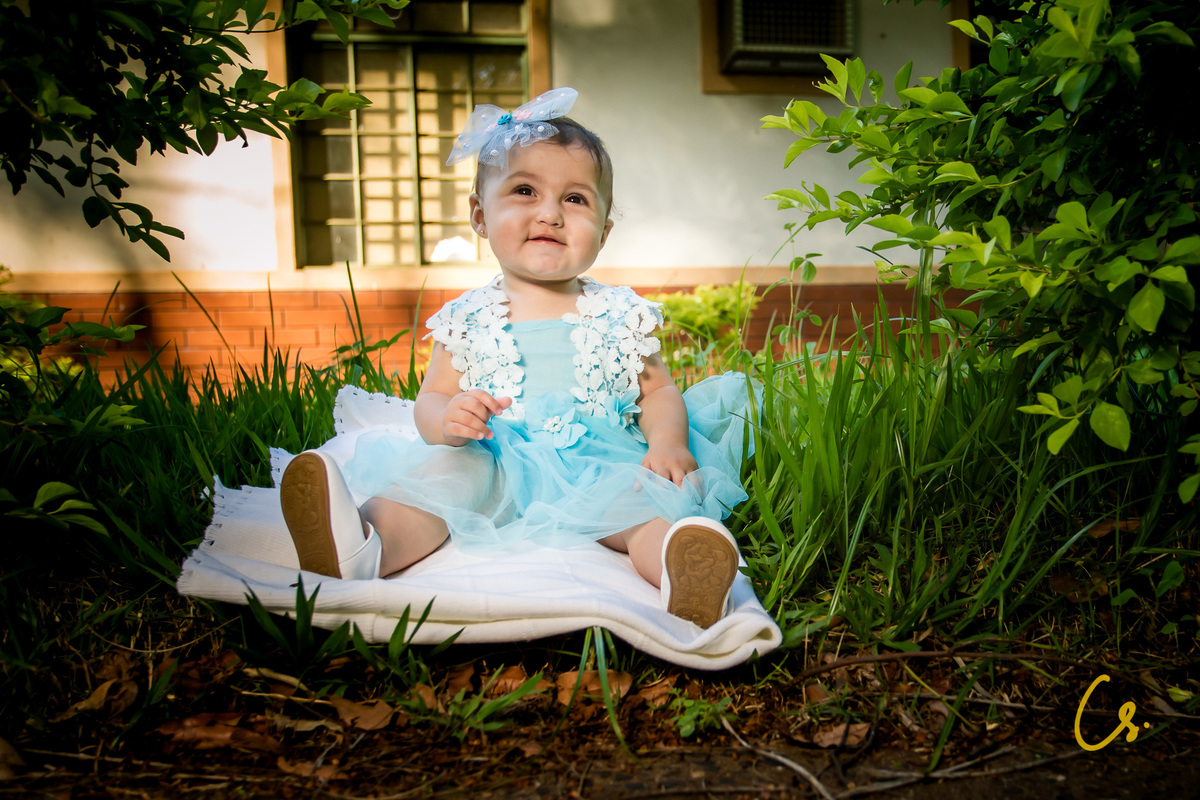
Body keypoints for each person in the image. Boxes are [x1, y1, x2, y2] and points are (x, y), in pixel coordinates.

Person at [280, 88, 758, 628]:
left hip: (595, 461)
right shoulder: (467, 317)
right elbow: (432, 398)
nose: (550, 214)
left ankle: (683, 567)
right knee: (435, 484)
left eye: (575, 199)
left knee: (641, 504)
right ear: (480, 216)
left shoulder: (621, 312)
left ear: (603, 233)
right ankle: (361, 545)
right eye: (525, 190)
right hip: (491, 457)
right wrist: (449, 419)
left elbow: (658, 392)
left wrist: (667, 443)